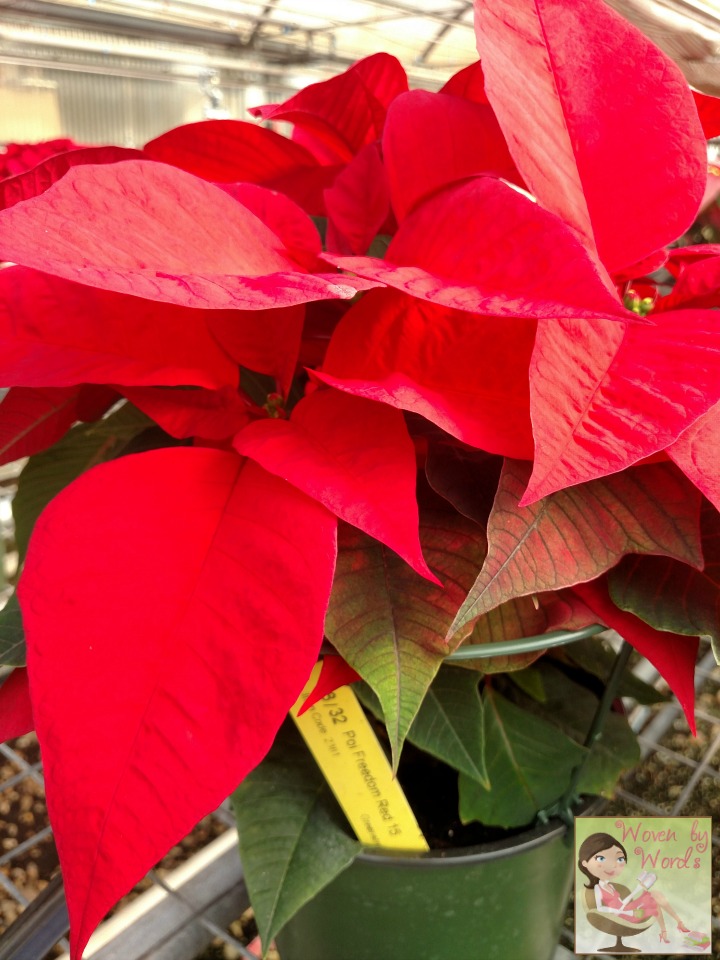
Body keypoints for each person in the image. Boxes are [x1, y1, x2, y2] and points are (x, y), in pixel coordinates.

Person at [578, 832, 690, 945]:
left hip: (625, 910)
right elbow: (601, 909)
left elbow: (621, 903)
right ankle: (666, 930)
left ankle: (676, 923)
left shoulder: (610, 885)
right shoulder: (598, 888)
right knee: (654, 904)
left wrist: (637, 889)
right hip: (622, 916)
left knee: (654, 894)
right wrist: (630, 913)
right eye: (601, 858)